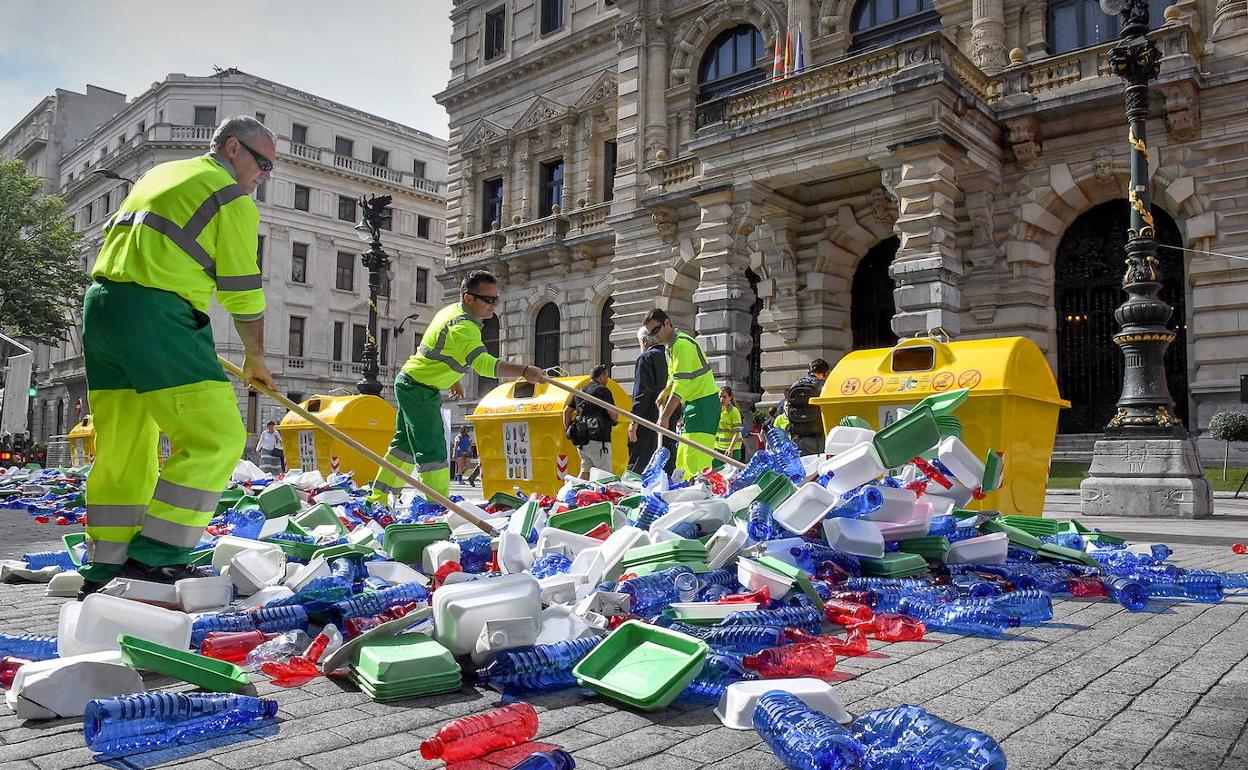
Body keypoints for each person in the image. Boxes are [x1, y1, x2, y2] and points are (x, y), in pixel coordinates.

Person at [79, 115, 276, 596]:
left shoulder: (161, 174)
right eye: (262, 162)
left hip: (103, 309)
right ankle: (156, 558)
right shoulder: (230, 196)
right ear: (233, 148)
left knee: (124, 444)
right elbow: (242, 289)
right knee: (218, 437)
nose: (264, 175)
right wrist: (256, 357)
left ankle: (107, 563)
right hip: (158, 312)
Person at [369, 270, 544, 504]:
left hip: (414, 383)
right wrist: (524, 371)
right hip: (419, 388)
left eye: (496, 299)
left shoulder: (451, 313)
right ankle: (438, 503)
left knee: (404, 445)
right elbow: (483, 365)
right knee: (432, 448)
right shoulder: (464, 327)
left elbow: (440, 351)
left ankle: (379, 496)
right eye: (489, 300)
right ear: (468, 298)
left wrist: (454, 378)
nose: (494, 305)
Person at [644, 309, 720, 480]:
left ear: (666, 323)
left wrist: (664, 417)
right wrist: (665, 392)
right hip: (695, 404)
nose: (654, 336)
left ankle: (699, 494)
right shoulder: (670, 348)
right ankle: (685, 490)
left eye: (656, 330)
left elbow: (682, 384)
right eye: (650, 334)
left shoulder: (682, 345)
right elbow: (674, 378)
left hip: (704, 405)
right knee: (684, 454)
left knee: (696, 457)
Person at [563, 364, 618, 479]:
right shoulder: (603, 390)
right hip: (599, 439)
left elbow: (566, 411)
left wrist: (568, 428)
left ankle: (575, 493)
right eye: (606, 376)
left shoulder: (580, 391)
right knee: (605, 475)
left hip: (581, 439)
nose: (607, 379)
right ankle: (604, 497)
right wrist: (614, 419)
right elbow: (612, 411)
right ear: (601, 377)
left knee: (585, 470)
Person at [628, 325, 668, 474]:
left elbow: (642, 393)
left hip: (648, 420)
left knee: (638, 463)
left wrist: (634, 422)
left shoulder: (646, 358)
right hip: (667, 418)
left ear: (644, 341)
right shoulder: (669, 356)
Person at [783, 358, 831, 454]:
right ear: (823, 373)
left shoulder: (796, 384)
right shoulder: (824, 386)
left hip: (798, 433)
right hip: (817, 433)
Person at [713, 386, 743, 470]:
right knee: (716, 472)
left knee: (731, 474)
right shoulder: (718, 411)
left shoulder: (734, 412)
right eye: (720, 397)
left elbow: (736, 433)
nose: (721, 399)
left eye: (724, 397)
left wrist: (730, 448)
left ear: (730, 397)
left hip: (733, 449)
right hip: (718, 448)